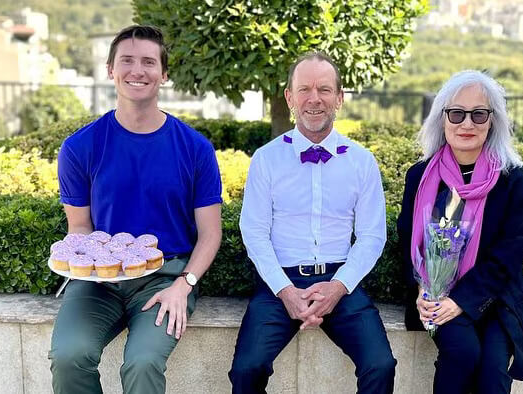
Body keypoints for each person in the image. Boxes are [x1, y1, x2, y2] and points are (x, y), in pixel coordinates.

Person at [49, 25, 223, 394]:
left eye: (148, 62)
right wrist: (86, 265)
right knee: (68, 356)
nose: (137, 70)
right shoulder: (80, 147)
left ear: (164, 73)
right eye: (126, 61)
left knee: (142, 364)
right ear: (111, 69)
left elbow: (210, 233)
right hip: (99, 281)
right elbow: (79, 226)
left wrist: (184, 284)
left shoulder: (195, 148)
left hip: (166, 278)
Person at [229, 52, 397, 393]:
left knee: (380, 365)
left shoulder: (362, 162)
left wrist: (338, 288)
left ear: (339, 98)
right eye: (304, 89)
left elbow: (371, 236)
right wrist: (286, 291)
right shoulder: (266, 159)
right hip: (281, 282)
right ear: (290, 97)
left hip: (340, 279)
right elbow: (255, 233)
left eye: (324, 89)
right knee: (247, 368)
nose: (314, 98)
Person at [397, 70, 523, 393]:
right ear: (442, 119)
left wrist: (460, 300)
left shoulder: (516, 182)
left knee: (492, 374)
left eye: (479, 114)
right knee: (462, 353)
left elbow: (507, 258)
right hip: (435, 295)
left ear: (492, 122)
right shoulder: (420, 177)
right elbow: (407, 240)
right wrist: (421, 288)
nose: (467, 124)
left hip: (494, 298)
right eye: (457, 113)